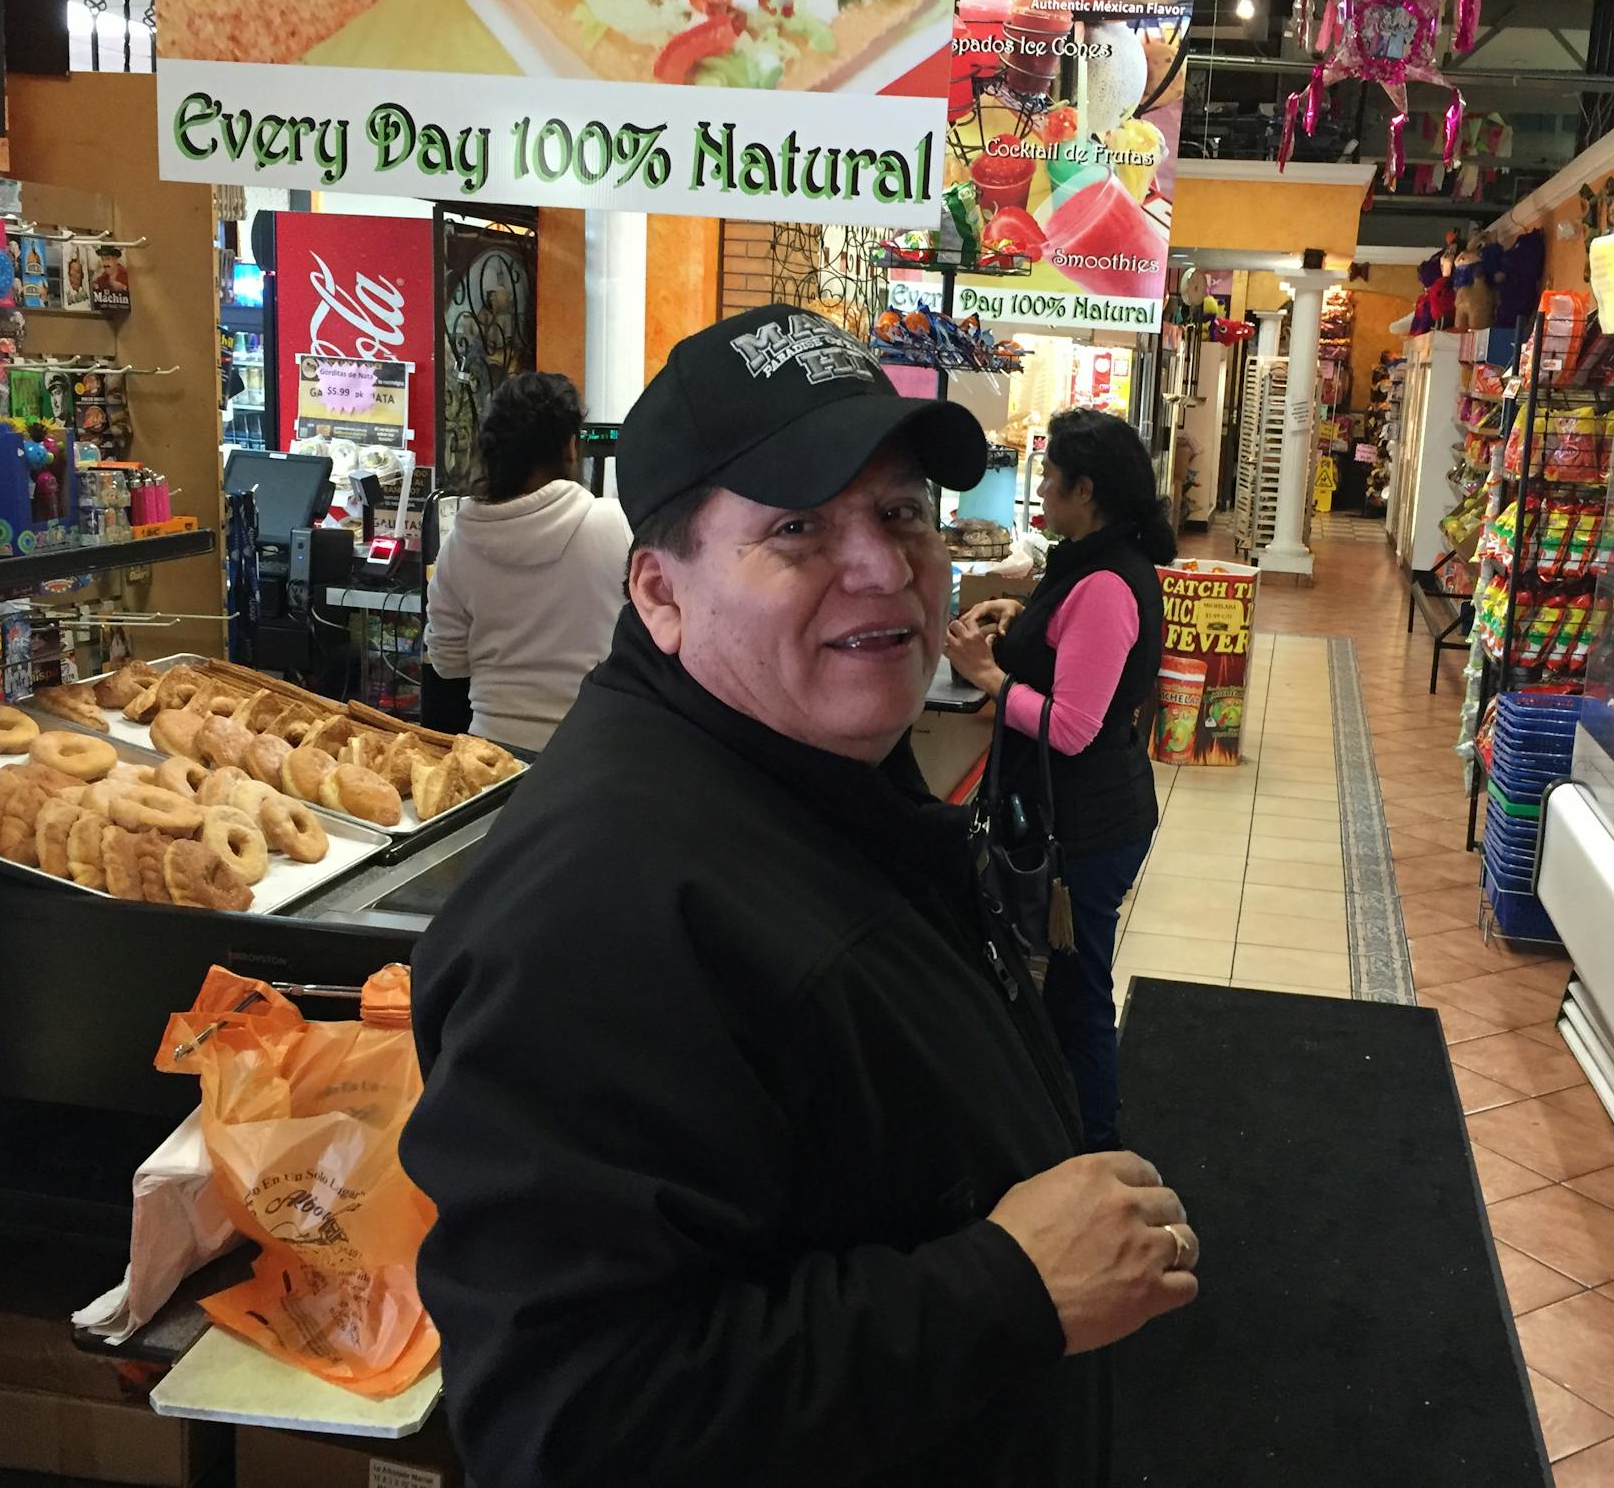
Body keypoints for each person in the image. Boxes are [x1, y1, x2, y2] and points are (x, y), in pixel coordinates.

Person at [402, 306, 1198, 1488]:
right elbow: (575, 1424)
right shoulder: (597, 917)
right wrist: (1004, 1289)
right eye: (798, 529)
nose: (884, 566)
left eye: (900, 512)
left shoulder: (805, 767)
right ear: (661, 595)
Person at [943, 409, 1172, 1151]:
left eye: (1050, 475)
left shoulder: (1108, 581)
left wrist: (986, 674)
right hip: (1072, 815)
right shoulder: (1085, 558)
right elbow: (1067, 640)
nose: (1039, 485)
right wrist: (1020, 617)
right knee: (1060, 989)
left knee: (1078, 998)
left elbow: (1074, 726)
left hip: (1089, 828)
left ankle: (1096, 1147)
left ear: (1087, 489)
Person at [422, 371, 631, 751]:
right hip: (591, 752)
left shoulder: (460, 542)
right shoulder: (614, 525)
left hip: (490, 759)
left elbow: (446, 662)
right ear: (570, 447)